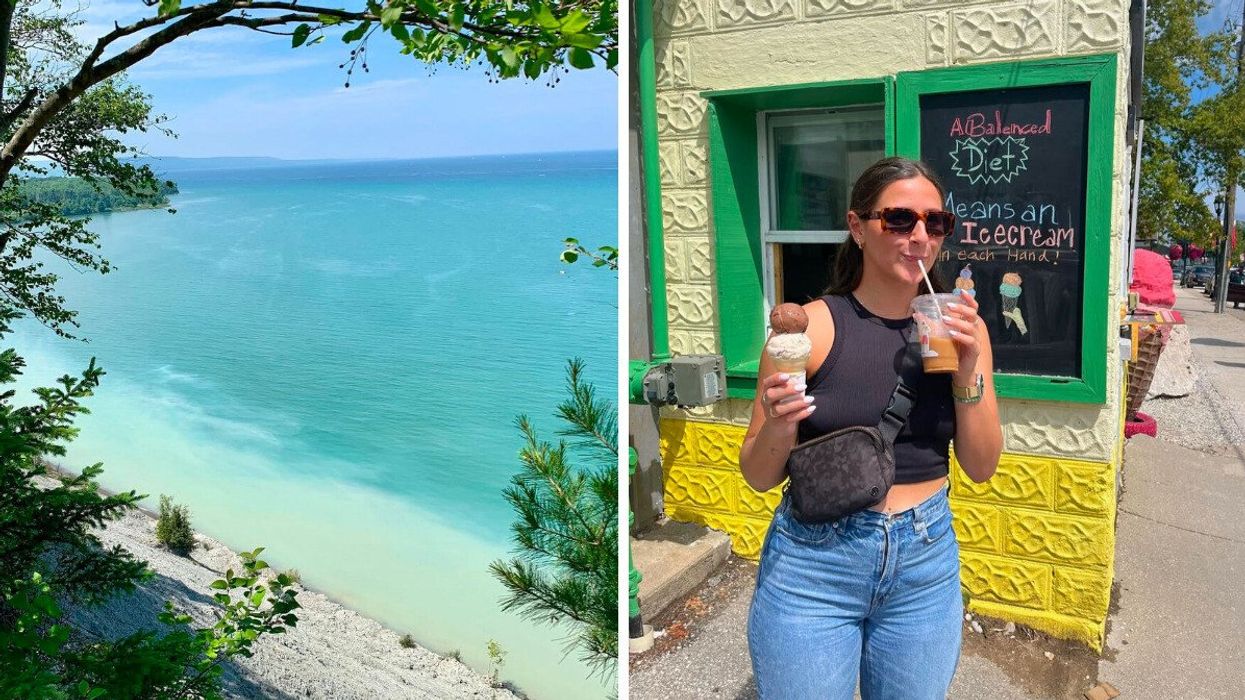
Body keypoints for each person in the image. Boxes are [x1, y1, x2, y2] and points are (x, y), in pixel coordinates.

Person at [741, 156, 1003, 699]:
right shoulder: (808, 328)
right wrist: (779, 424)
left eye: (936, 223)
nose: (920, 237)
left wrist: (969, 369)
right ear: (858, 228)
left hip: (925, 561)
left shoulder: (962, 331)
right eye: (900, 220)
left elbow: (981, 467)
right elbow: (759, 474)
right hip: (815, 564)